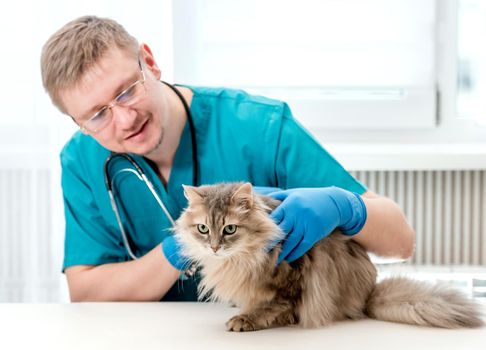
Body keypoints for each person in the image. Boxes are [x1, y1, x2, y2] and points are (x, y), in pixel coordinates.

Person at [41, 15, 415, 302]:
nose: (125, 119)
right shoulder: (81, 160)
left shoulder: (258, 126)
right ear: (76, 122)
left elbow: (401, 242)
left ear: (150, 63)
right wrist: (177, 250)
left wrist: (345, 207)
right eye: (96, 115)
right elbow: (86, 293)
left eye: (125, 92)